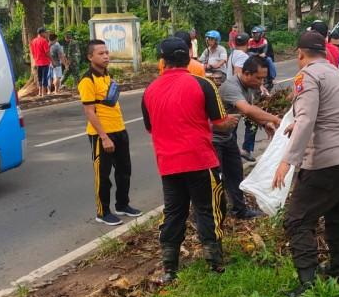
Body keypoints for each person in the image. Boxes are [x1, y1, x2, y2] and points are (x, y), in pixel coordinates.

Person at [272, 31, 339, 297]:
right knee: (337, 215)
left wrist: (287, 161)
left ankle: (308, 286)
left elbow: (308, 118)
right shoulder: (338, 74)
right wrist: (296, 125)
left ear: (300, 54)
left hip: (325, 161)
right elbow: (332, 113)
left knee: (297, 220)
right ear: (324, 52)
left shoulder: (307, 76)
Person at [141, 37, 240, 284]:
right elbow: (221, 124)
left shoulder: (149, 91)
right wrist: (231, 121)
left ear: (162, 61)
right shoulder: (204, 84)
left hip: (168, 164)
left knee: (174, 212)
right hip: (200, 161)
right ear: (188, 58)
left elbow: (150, 128)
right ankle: (215, 263)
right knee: (208, 209)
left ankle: (169, 268)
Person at [79, 40, 142, 226]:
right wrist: (104, 137)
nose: (106, 56)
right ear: (90, 57)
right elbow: (89, 112)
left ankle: (122, 205)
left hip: (120, 130)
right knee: (103, 176)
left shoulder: (108, 75)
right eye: (101, 53)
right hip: (102, 135)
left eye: (106, 52)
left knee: (124, 171)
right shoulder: (87, 80)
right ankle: (103, 212)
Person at [216, 56, 281, 219]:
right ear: (246, 73)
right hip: (212, 139)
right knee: (215, 178)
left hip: (227, 137)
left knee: (235, 173)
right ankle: (211, 214)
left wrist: (265, 124)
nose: (261, 82)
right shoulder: (231, 87)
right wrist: (275, 119)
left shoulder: (250, 86)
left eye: (263, 78)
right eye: (258, 78)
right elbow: (247, 109)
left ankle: (239, 210)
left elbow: (249, 111)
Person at [249, 26, 276, 90]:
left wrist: (256, 54)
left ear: (261, 34)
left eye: (257, 34)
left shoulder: (264, 41)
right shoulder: (250, 41)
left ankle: (272, 78)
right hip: (253, 58)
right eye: (254, 33)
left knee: (269, 59)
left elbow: (264, 53)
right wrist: (256, 54)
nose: (255, 35)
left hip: (262, 58)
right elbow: (248, 51)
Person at [30, 26, 51, 97]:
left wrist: (35, 60)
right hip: (45, 62)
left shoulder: (33, 41)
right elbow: (47, 52)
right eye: (45, 32)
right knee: (45, 77)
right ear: (41, 33)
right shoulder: (44, 41)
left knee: (39, 77)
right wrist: (52, 60)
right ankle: (44, 93)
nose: (46, 34)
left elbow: (32, 52)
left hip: (37, 62)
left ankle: (40, 92)